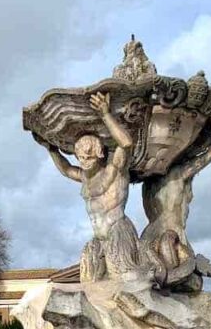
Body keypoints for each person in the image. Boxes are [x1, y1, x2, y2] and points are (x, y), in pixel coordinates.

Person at [42, 92, 158, 283]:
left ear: (100, 153)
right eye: (80, 157)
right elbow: (65, 169)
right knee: (89, 281)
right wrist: (51, 148)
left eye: (89, 157)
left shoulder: (115, 170)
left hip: (117, 232)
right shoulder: (84, 177)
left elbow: (126, 143)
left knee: (127, 281)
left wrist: (105, 113)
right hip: (98, 239)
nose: (84, 162)